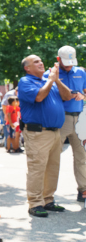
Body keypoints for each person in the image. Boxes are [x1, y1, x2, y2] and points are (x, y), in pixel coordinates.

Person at [18, 55, 73, 218]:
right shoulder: (25, 82)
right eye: (36, 62)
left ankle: (48, 200)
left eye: (41, 60)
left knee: (52, 168)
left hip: (55, 132)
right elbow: (39, 97)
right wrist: (50, 80)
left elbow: (68, 95)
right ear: (27, 68)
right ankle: (35, 203)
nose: (41, 62)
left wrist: (56, 80)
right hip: (37, 132)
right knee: (37, 168)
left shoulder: (50, 82)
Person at [46, 46, 86, 202]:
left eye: (71, 63)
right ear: (58, 59)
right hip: (61, 118)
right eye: (66, 63)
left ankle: (83, 189)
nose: (69, 66)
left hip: (80, 118)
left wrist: (83, 94)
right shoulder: (51, 75)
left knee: (82, 156)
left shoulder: (81, 72)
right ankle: (48, 194)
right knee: (53, 157)